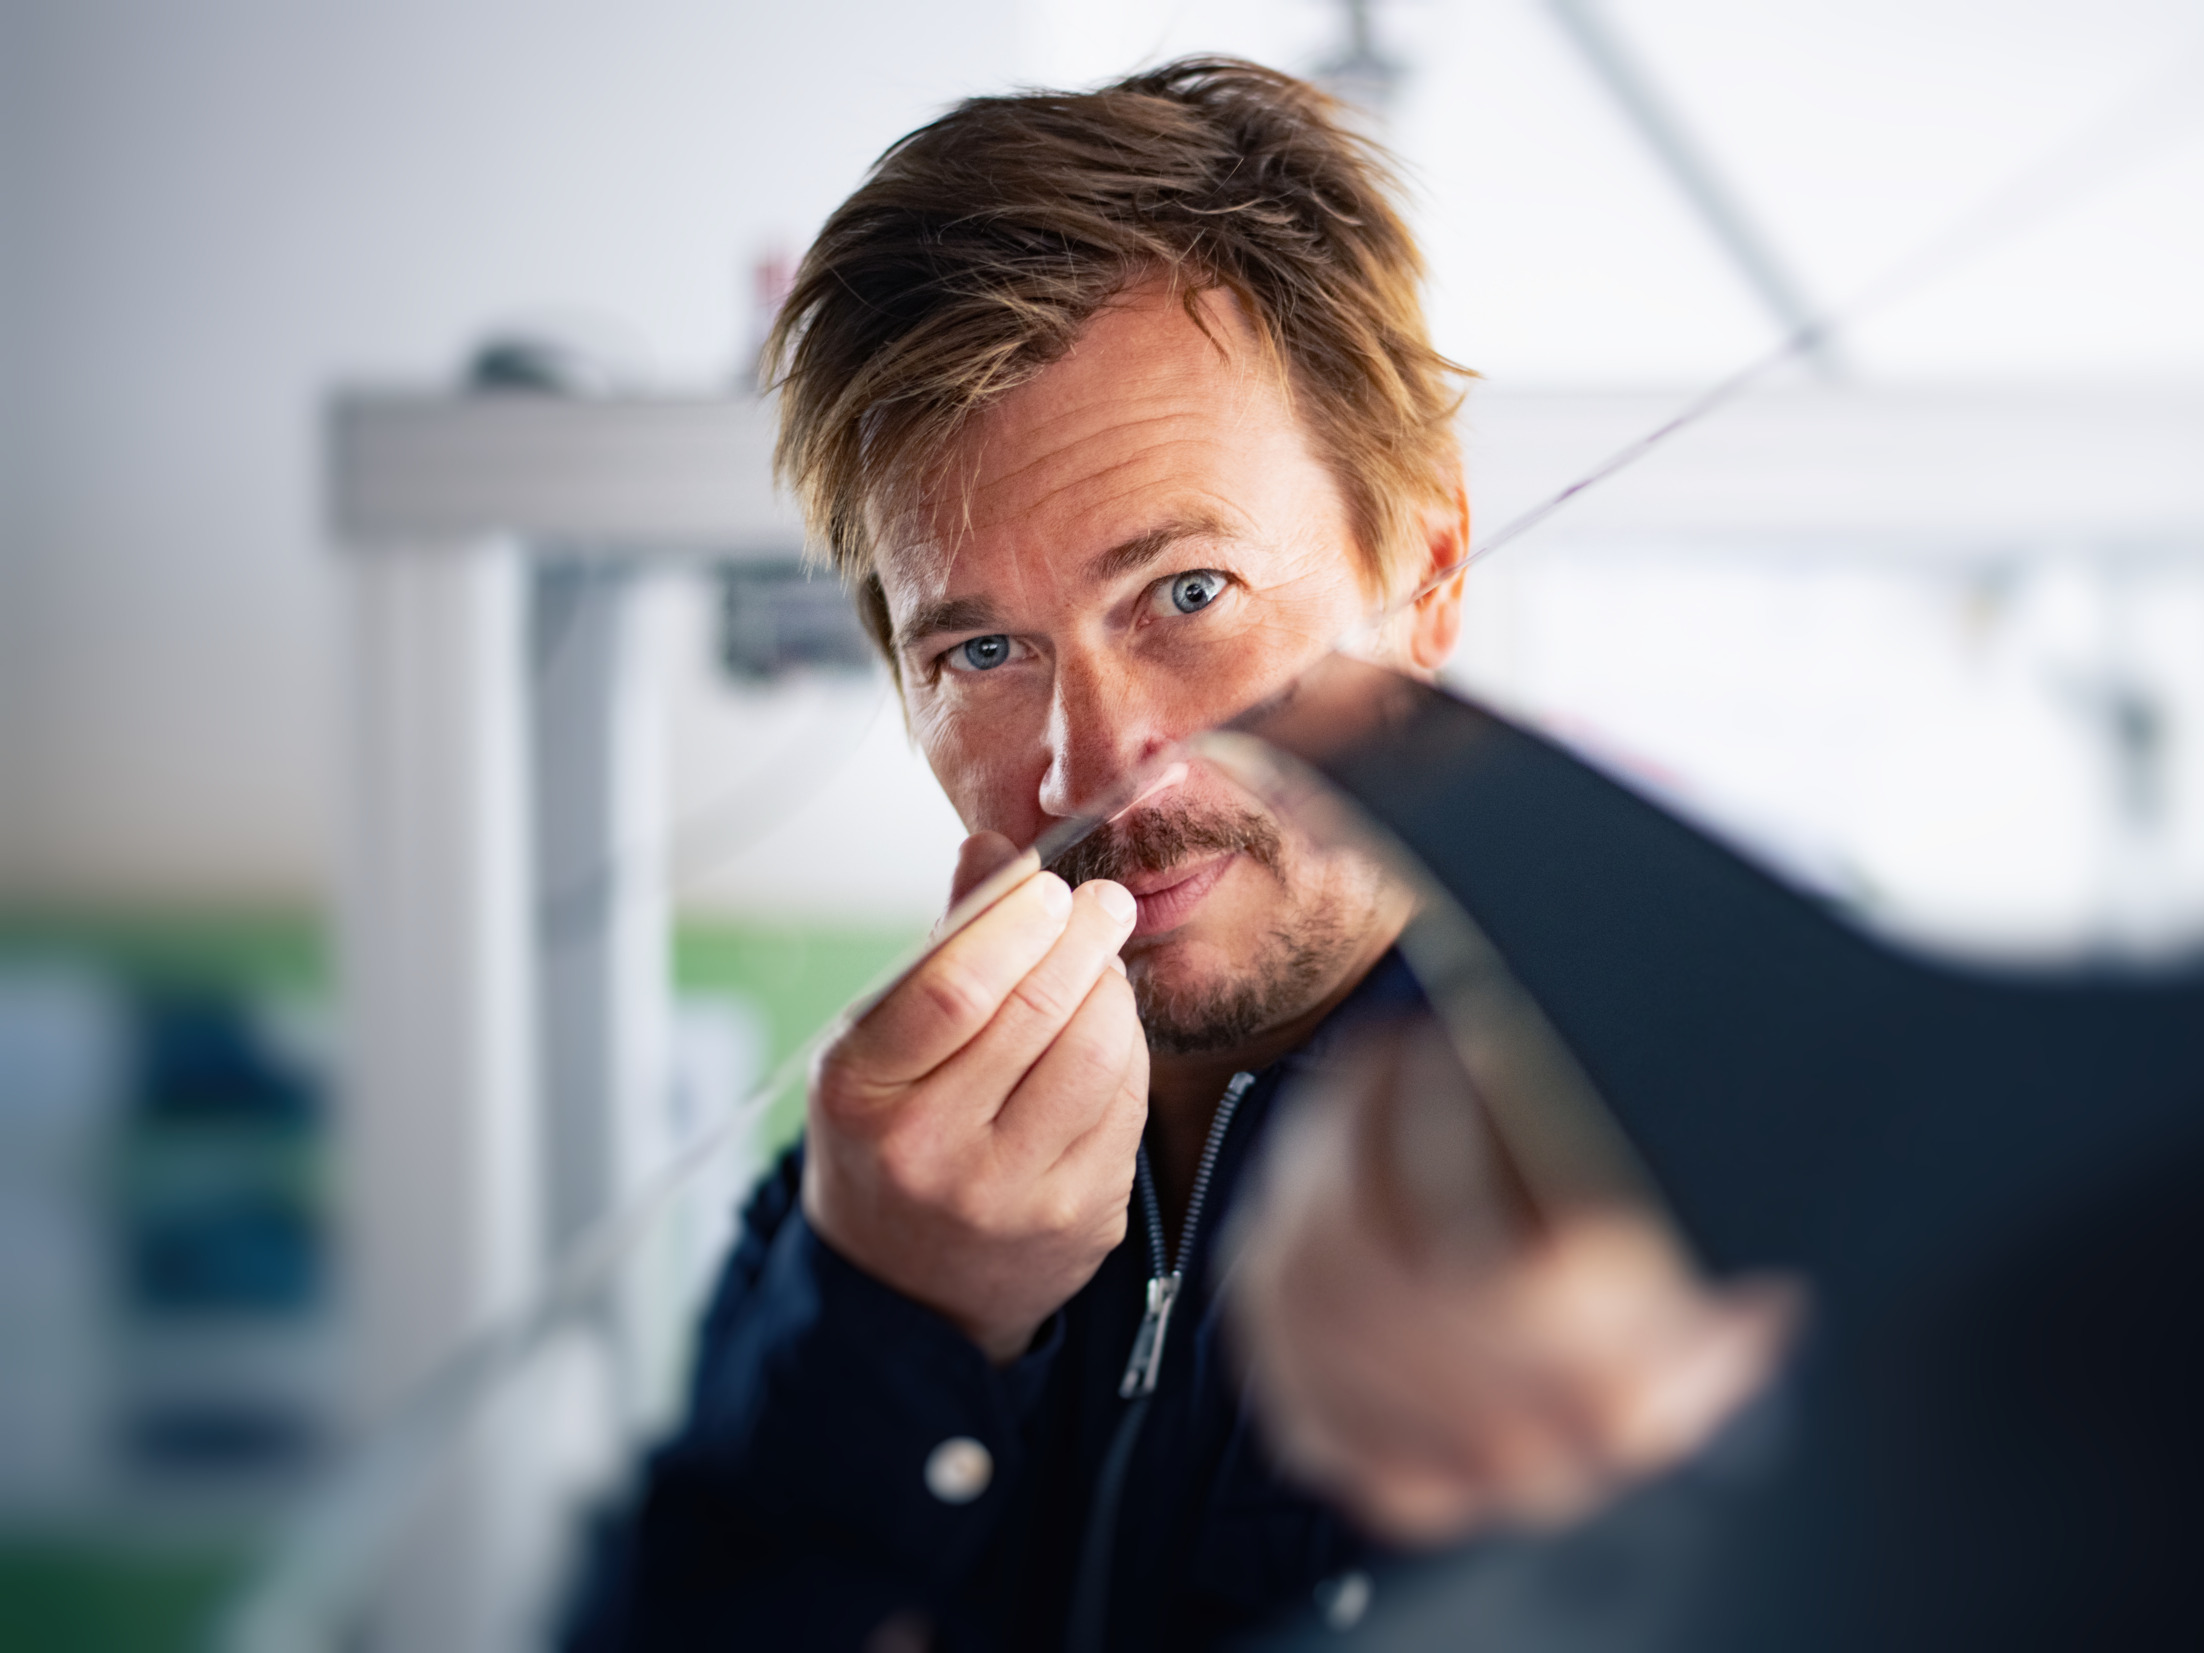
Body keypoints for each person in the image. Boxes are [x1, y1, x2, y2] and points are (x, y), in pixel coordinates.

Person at [566, 58, 1794, 1653]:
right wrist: (892, 1325)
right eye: (986, 652)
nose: (1093, 765)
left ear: (1422, 579)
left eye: (1187, 594)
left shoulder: (1683, 1157)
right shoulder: (864, 1199)